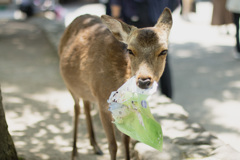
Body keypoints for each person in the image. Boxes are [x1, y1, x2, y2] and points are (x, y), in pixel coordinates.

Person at [108, 0, 180, 99]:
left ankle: (133, 96)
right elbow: (174, 4)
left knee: (133, 59)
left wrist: (116, 16)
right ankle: (165, 97)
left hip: (135, 20)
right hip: (156, 18)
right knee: (159, 57)